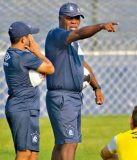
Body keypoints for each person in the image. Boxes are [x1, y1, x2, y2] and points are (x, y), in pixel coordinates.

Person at [45, 2, 118, 160]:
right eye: (70, 18)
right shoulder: (57, 35)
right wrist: (101, 26)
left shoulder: (72, 43)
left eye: (77, 18)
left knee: (65, 143)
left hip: (72, 97)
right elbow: (79, 34)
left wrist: (96, 87)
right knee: (68, 143)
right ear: (60, 18)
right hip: (63, 97)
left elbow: (83, 64)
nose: (74, 21)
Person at [4, 21, 55, 160]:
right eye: (30, 35)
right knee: (24, 153)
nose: (32, 38)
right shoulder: (24, 57)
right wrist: (36, 51)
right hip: (23, 108)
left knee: (33, 153)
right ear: (23, 39)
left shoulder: (10, 54)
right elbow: (50, 68)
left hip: (22, 107)